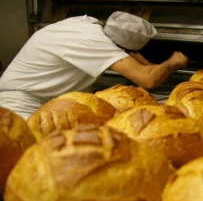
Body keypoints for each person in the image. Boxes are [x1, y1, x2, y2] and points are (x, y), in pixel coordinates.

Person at [0, 11, 188, 120]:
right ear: (120, 47)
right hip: (19, 103)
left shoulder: (90, 26)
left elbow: (133, 56)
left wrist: (158, 66)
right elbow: (147, 78)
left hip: (45, 102)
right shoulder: (92, 41)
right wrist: (174, 62)